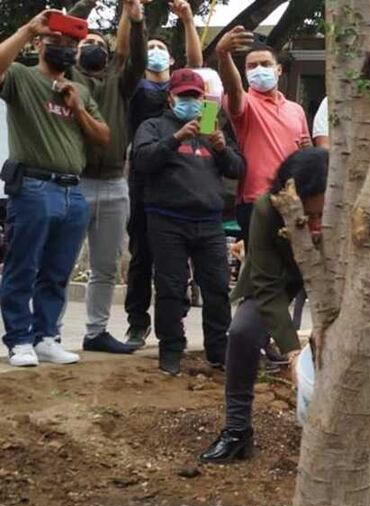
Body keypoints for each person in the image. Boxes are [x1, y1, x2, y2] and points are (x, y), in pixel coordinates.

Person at [0, 10, 111, 368]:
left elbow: (104, 138)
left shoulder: (78, 89)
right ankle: (19, 340)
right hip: (33, 186)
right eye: (56, 43)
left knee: (57, 270)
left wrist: (78, 109)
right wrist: (27, 28)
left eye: (70, 45)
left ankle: (46, 336)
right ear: (38, 45)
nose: (65, 50)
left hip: (72, 192)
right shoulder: (21, 77)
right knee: (23, 267)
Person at [202, 148, 325, 463]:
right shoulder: (266, 210)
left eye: (321, 216)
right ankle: (237, 431)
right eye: (307, 217)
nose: (315, 225)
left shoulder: (347, 210)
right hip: (281, 276)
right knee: (242, 331)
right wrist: (293, 353)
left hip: (332, 278)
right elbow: (266, 286)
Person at [131, 69, 244, 376]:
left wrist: (221, 148)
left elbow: (237, 168)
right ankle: (171, 350)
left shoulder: (213, 128)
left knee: (218, 288)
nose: (191, 102)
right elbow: (142, 160)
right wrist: (176, 138)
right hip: (167, 218)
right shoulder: (153, 126)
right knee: (170, 288)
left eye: (196, 96)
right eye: (184, 96)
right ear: (171, 98)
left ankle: (219, 351)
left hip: (209, 221)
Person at [64, 0, 146, 355]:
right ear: (75, 50)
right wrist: (86, 6)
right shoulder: (67, 77)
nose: (93, 46)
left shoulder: (120, 82)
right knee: (61, 263)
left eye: (100, 43)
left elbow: (137, 60)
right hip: (74, 182)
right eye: (87, 42)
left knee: (105, 267)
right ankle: (48, 334)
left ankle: (96, 332)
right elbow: (65, 34)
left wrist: (137, 22)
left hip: (115, 184)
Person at [124, 0, 202, 349]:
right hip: (144, 173)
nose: (154, 51)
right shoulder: (134, 86)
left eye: (161, 48)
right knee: (142, 251)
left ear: (173, 60)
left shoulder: (182, 93)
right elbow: (126, 51)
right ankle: (137, 323)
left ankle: (175, 322)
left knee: (176, 255)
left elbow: (197, 65)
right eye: (150, 46)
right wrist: (130, 15)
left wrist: (187, 19)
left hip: (181, 175)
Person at [216, 28, 310, 242]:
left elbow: (306, 152)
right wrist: (223, 54)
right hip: (256, 200)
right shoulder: (245, 104)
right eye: (251, 66)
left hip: (293, 200)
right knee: (261, 269)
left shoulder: (296, 109)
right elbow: (234, 88)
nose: (259, 70)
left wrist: (307, 149)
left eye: (265, 64)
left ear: (278, 70)